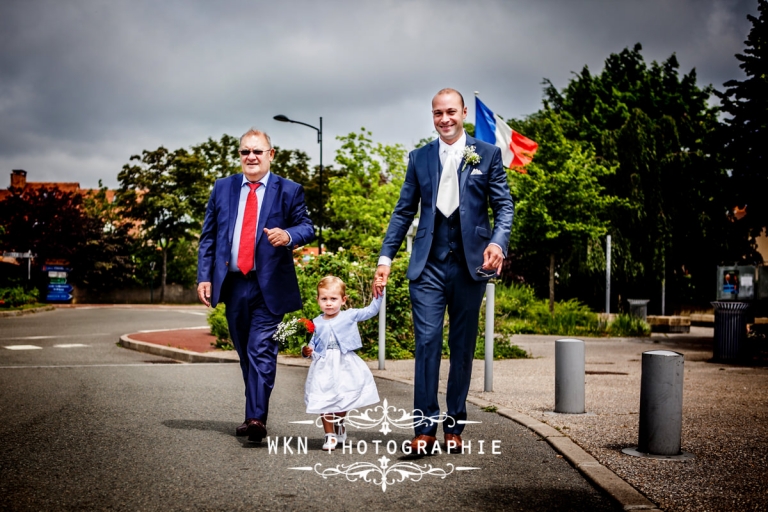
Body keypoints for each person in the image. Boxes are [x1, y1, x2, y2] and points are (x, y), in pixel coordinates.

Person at [374, 88, 514, 454]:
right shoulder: (419, 157)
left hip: (471, 266)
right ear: (432, 116)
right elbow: (404, 210)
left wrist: (497, 243)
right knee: (427, 342)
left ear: (464, 112)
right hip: (428, 266)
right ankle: (424, 428)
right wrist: (385, 259)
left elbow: (504, 207)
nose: (444, 119)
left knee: (463, 347)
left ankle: (454, 424)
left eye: (451, 112)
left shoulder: (488, 155)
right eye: (438, 113)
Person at [197, 128, 315, 443]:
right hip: (233, 283)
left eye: (257, 151)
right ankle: (254, 412)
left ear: (270, 155)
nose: (251, 157)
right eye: (245, 152)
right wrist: (204, 277)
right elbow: (209, 237)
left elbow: (307, 227)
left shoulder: (289, 190)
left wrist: (288, 236)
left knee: (261, 348)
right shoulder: (222, 188)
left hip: (269, 286)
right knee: (245, 351)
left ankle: (255, 419)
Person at [302, 276, 382, 451]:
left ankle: (339, 423)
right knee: (325, 397)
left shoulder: (350, 315)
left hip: (345, 363)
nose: (328, 303)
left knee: (342, 397)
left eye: (333, 299)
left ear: (343, 300)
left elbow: (371, 311)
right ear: (318, 300)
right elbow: (312, 344)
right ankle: (329, 435)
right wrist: (306, 351)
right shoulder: (316, 322)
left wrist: (379, 293)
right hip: (323, 365)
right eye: (324, 299)